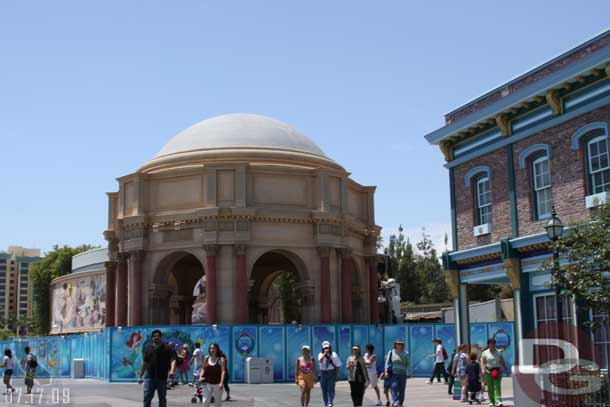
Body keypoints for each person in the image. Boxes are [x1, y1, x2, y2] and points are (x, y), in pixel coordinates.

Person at [138, 329, 177, 407]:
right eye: (154, 336)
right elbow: (144, 362)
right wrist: (140, 376)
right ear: (152, 338)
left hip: (162, 377)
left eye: (158, 336)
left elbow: (173, 359)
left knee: (162, 398)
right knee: (147, 397)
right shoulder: (148, 348)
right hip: (149, 377)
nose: (156, 337)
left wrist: (172, 371)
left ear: (161, 337)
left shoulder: (167, 348)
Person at [480, 338, 508, 407]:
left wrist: (506, 368)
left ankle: (498, 401)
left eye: (493, 343)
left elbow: (502, 361)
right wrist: (483, 369)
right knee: (490, 387)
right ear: (488, 344)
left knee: (497, 386)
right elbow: (482, 362)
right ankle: (491, 401)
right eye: (491, 343)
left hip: (497, 370)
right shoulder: (484, 352)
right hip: (488, 371)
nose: (492, 345)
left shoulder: (498, 352)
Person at [384, 338, 410, 407]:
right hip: (394, 373)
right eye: (398, 344)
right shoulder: (391, 352)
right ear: (395, 345)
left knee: (401, 389)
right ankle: (396, 401)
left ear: (402, 345)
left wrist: (410, 371)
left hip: (403, 373)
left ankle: (400, 403)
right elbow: (387, 363)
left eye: (401, 344)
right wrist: (386, 371)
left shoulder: (405, 353)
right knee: (394, 387)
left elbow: (408, 363)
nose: (399, 345)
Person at [199, 342, 226, 407]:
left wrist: (221, 383)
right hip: (207, 383)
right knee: (205, 401)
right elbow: (203, 368)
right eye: (210, 348)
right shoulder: (206, 358)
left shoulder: (221, 359)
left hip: (217, 384)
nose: (212, 350)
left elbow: (223, 371)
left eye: (214, 348)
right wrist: (200, 377)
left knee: (217, 403)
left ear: (217, 349)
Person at [318, 341, 341, 407]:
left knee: (331, 388)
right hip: (323, 372)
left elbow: (338, 365)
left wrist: (337, 375)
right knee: (324, 388)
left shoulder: (334, 354)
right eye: (325, 348)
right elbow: (320, 361)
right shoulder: (320, 354)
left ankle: (330, 402)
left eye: (327, 347)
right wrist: (324, 354)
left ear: (330, 347)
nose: (326, 349)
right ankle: (326, 402)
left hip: (331, 372)